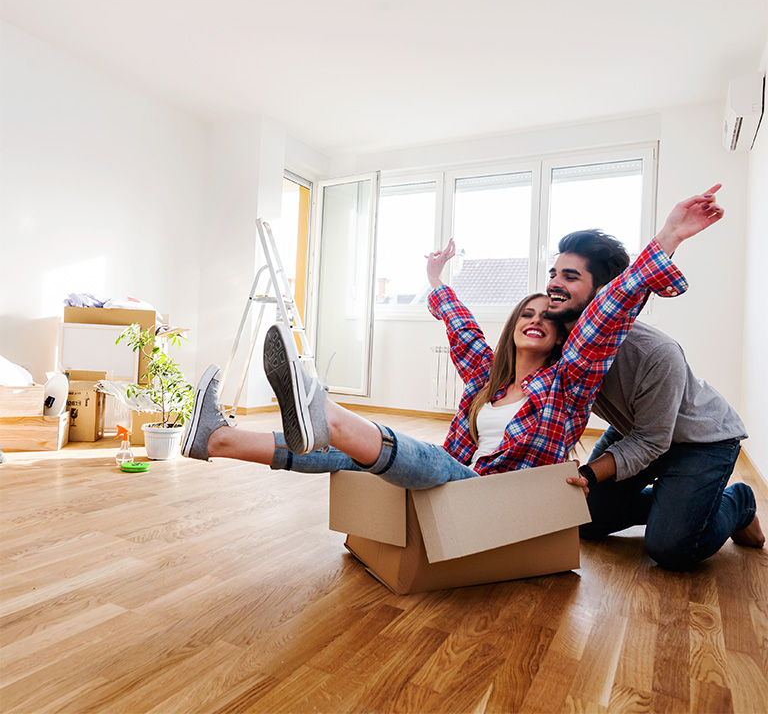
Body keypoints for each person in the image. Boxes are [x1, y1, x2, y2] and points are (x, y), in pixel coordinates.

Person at [181, 188, 720, 493]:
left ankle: (327, 410)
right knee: (348, 457)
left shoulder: (570, 378)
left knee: (417, 456)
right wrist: (437, 279)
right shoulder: (491, 379)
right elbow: (461, 329)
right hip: (460, 483)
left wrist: (668, 237)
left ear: (565, 339)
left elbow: (611, 310)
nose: (538, 314)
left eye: (548, 317)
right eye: (526, 311)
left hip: (496, 497)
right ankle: (217, 441)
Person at [548, 198, 765, 569]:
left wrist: (586, 474)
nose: (554, 283)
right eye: (552, 274)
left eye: (570, 277)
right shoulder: (557, 344)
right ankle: (679, 505)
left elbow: (653, 441)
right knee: (586, 522)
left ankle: (737, 502)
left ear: (603, 293)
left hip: (701, 442)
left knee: (672, 549)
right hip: (634, 430)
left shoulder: (654, 352)